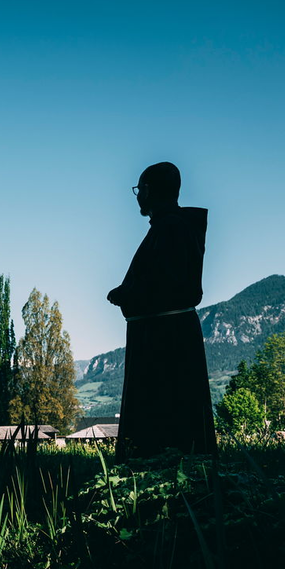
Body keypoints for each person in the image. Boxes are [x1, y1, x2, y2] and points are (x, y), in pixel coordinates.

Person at [107, 162, 217, 460]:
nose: (138, 196)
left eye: (139, 189)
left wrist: (126, 293)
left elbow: (167, 282)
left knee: (162, 409)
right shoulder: (174, 227)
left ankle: (158, 467)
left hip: (163, 338)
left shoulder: (171, 228)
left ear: (151, 190)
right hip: (165, 333)